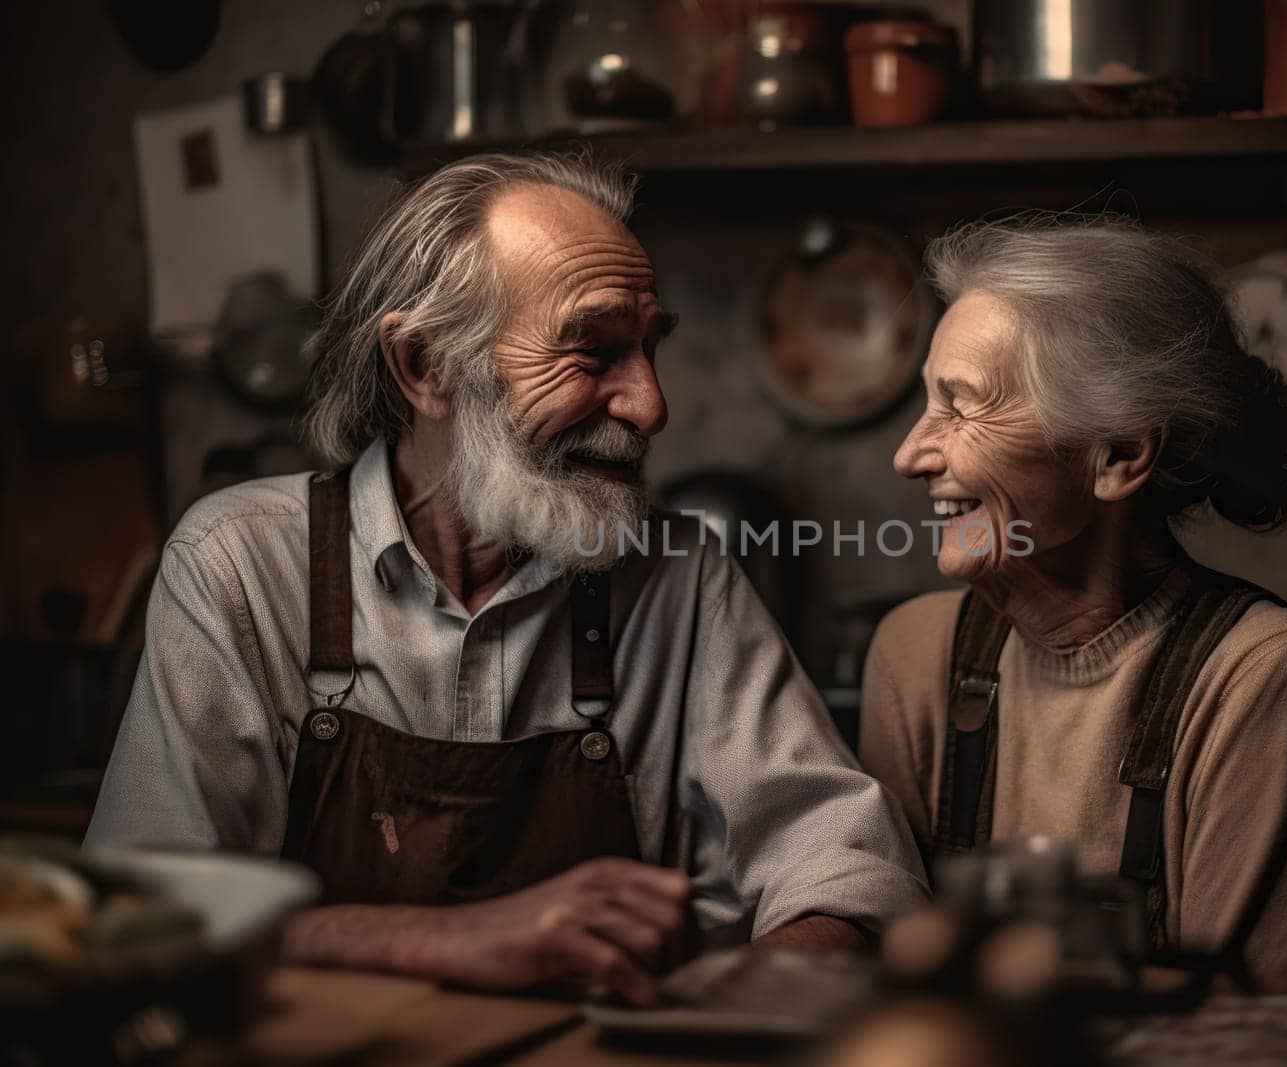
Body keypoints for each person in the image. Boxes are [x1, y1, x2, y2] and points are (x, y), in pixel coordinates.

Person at [86, 153, 927, 1004]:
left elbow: (851, 869)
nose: (650, 405)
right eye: (593, 351)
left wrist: (733, 996)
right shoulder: (239, 564)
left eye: (647, 349)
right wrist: (450, 939)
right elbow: (139, 912)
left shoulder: (678, 576)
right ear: (424, 365)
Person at [859, 216, 1287, 977]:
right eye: (929, 404)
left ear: (1119, 456)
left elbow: (1257, 1028)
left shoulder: (1256, 673)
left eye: (961, 408)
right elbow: (889, 979)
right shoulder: (915, 654)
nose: (909, 455)